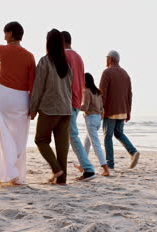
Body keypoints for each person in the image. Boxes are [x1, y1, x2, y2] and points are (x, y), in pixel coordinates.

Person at [0, 21, 36, 186]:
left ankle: (8, 172)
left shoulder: (2, 49)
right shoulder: (30, 56)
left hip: (3, 96)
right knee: (20, 137)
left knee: (2, 132)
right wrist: (33, 106)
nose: (4, 36)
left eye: (5, 33)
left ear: (10, 34)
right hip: (21, 98)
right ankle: (17, 174)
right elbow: (32, 84)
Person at [29, 29, 73, 185]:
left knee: (40, 140)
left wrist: (33, 108)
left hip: (50, 108)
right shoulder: (66, 65)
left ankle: (56, 169)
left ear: (48, 43)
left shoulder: (45, 61)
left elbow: (38, 87)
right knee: (62, 149)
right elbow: (70, 87)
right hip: (66, 109)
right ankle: (62, 179)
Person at [61, 31, 96, 181]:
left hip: (67, 100)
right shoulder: (78, 57)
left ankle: (88, 169)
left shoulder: (64, 55)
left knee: (72, 135)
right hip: (76, 100)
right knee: (70, 135)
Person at [99, 50, 140, 169]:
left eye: (106, 58)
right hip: (123, 110)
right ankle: (133, 152)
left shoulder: (107, 72)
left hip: (110, 110)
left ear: (110, 59)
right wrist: (128, 111)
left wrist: (101, 110)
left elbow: (103, 94)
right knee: (119, 133)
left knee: (108, 136)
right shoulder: (125, 74)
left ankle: (110, 164)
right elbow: (129, 95)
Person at [81, 73, 110, 176]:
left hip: (91, 119)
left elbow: (85, 107)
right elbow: (102, 108)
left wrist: (74, 105)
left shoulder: (87, 91)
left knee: (96, 145)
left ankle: (106, 169)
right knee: (87, 143)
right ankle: (82, 165)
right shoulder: (97, 92)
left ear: (85, 81)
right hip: (97, 119)